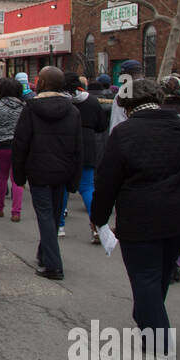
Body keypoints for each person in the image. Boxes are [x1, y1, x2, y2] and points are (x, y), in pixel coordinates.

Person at [90, 78, 180, 343]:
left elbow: (107, 181)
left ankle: (156, 334)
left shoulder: (124, 132)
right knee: (161, 273)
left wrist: (99, 218)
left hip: (141, 217)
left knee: (144, 276)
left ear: (126, 103)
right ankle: (150, 322)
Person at [12, 67, 82, 280]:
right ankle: (45, 255)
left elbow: (21, 143)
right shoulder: (73, 111)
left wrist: (19, 174)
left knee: (46, 216)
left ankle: (53, 264)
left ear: (41, 83)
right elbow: (79, 148)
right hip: (62, 170)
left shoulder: (32, 109)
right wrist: (74, 179)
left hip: (39, 170)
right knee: (52, 215)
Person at [60, 72, 103, 243]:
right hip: (88, 144)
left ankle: (60, 225)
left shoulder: (61, 102)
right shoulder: (92, 101)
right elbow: (101, 125)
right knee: (87, 187)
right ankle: (97, 226)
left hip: (65, 144)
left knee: (62, 186)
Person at [0, 77, 25, 222]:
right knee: (17, 179)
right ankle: (16, 212)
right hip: (19, 145)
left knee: (2, 177)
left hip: (2, 144)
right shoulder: (24, 107)